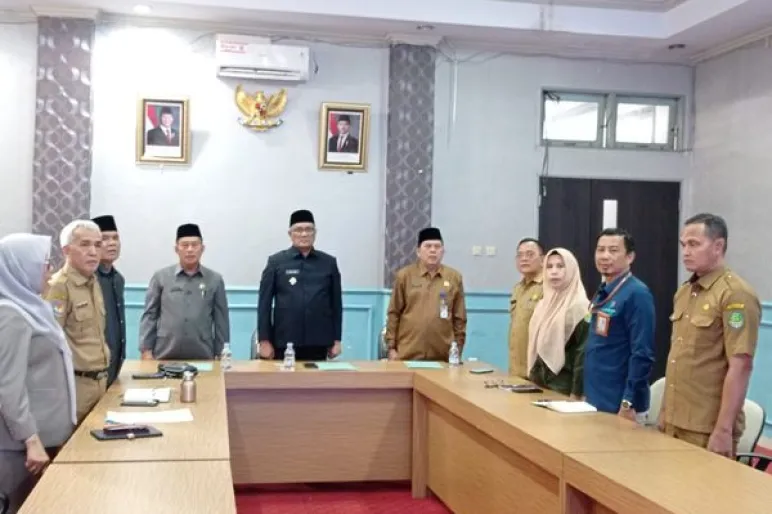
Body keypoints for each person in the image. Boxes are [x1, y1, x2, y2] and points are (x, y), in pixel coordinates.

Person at [657, 213, 760, 458]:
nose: (686, 252)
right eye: (683, 245)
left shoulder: (735, 294)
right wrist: (664, 412)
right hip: (675, 420)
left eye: (694, 244)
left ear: (718, 246)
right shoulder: (685, 292)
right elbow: (678, 358)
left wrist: (723, 429)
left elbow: (741, 365)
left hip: (706, 427)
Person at [0, 234, 76, 514]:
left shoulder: (32, 308)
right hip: (21, 449)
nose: (50, 271)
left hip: (44, 440)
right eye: (44, 264)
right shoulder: (11, 316)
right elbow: (8, 388)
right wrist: (31, 440)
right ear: (21, 268)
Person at [583, 228, 655, 421]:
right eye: (600, 250)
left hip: (620, 405)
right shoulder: (604, 290)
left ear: (630, 257)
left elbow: (642, 353)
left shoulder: (637, 294)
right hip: (596, 397)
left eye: (613, 250)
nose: (605, 256)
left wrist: (628, 402)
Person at [45, 220, 110, 423]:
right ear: (66, 250)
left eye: (97, 245)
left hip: (101, 381)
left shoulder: (93, 282)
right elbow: (50, 343)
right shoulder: (59, 286)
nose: (93, 252)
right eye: (84, 244)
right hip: (75, 385)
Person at [258, 210, 343, 361]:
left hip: (319, 342)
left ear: (315, 233)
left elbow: (336, 304)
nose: (304, 234)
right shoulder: (276, 262)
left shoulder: (328, 263)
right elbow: (264, 304)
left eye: (308, 229)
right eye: (298, 230)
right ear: (290, 234)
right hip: (284, 341)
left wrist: (336, 339)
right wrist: (264, 340)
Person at [139, 223, 230, 360]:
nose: (190, 250)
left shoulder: (215, 280)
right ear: (176, 249)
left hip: (203, 353)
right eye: (185, 245)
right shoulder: (161, 277)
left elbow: (221, 320)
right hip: (165, 352)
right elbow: (150, 315)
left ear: (202, 248)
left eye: (194, 245)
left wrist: (221, 352)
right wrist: (146, 349)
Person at [386, 227, 467, 361]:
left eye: (437, 246)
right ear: (418, 251)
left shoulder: (454, 277)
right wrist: (391, 347)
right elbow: (394, 312)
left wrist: (458, 348)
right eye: (428, 246)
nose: (433, 250)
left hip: (443, 353)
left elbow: (459, 317)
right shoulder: (405, 276)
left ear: (443, 251)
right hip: (407, 352)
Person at [527, 248, 589, 397]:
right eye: (549, 267)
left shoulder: (581, 307)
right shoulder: (543, 305)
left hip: (564, 386)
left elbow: (582, 354)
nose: (554, 272)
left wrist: (576, 393)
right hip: (538, 382)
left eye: (560, 266)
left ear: (571, 269)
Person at [92, 215, 126, 386]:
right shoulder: (88, 279)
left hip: (114, 367)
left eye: (115, 238)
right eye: (105, 239)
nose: (112, 243)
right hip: (92, 372)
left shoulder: (118, 279)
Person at [509, 238, 545, 377]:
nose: (524, 259)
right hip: (516, 367)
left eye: (530, 254)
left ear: (542, 259)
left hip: (537, 370)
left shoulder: (548, 287)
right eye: (520, 255)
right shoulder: (518, 288)